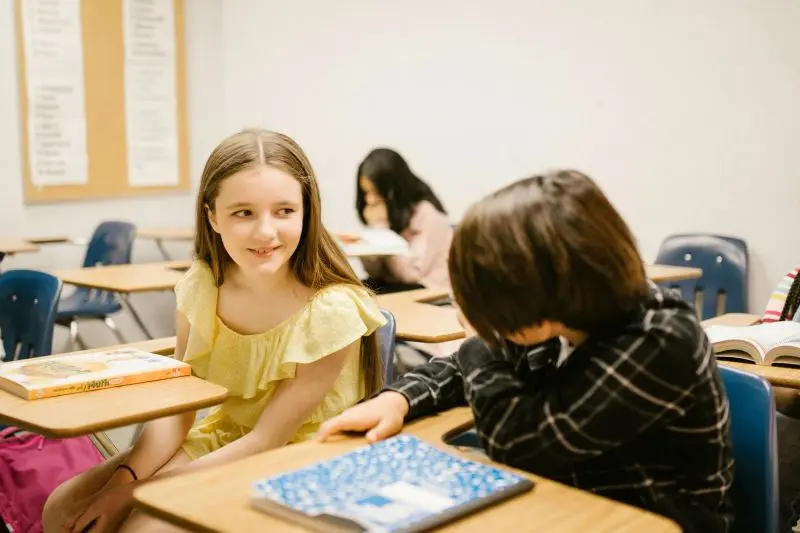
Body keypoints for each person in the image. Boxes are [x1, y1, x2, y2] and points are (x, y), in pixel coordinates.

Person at [319, 170, 734, 533]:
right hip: (566, 501)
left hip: (649, 520)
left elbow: (520, 443)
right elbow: (470, 367)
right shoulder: (563, 317)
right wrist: (400, 397)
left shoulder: (659, 340)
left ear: (548, 291)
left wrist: (476, 337)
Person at [43, 129, 387, 533]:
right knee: (61, 510)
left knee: (146, 528)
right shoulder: (203, 287)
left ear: (307, 212)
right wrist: (126, 482)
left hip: (297, 455)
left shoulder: (331, 311)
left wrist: (139, 495)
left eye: (284, 211)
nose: (265, 232)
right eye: (244, 212)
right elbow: (179, 412)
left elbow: (267, 440)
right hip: (227, 438)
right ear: (212, 216)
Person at [355, 148, 453, 293]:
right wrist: (372, 232)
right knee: (353, 288)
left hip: (428, 289)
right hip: (397, 284)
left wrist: (382, 230)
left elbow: (410, 275)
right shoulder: (386, 216)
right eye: (366, 193)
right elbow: (374, 273)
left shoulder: (428, 215)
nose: (370, 200)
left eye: (375, 193)